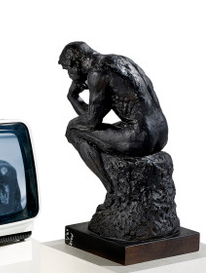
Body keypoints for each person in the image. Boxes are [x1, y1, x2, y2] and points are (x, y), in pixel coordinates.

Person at [59, 42, 169, 193]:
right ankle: (113, 187)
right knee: (85, 127)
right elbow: (94, 116)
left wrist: (72, 96)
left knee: (73, 130)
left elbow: (91, 122)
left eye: (67, 69)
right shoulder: (120, 61)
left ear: (75, 62)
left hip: (141, 138)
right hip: (161, 133)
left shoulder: (97, 73)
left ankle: (111, 188)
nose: (69, 75)